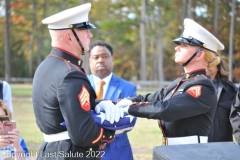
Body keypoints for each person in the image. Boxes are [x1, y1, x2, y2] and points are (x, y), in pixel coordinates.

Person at [32, 3, 122, 160]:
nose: (90, 35)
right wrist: (114, 130)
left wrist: (97, 104)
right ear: (68, 37)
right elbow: (83, 134)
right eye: (85, 30)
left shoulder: (46, 66)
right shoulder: (70, 73)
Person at [115, 18, 224, 145]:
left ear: (199, 55)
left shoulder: (203, 87)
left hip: (192, 152)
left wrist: (129, 108)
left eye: (184, 45)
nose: (177, 48)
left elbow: (165, 109)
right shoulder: (181, 82)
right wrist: (124, 102)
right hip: (172, 150)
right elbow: (152, 98)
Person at [88, 40, 136, 160]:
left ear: (112, 59)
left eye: (105, 56)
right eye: (96, 57)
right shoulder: (79, 85)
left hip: (117, 152)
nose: (100, 60)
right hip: (84, 149)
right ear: (89, 61)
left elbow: (128, 120)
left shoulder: (128, 87)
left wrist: (103, 138)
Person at [206, 59, 237, 142]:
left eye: (211, 62)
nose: (207, 65)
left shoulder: (231, 91)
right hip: (196, 147)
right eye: (204, 62)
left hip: (223, 148)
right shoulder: (190, 87)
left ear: (218, 67)